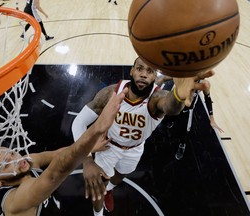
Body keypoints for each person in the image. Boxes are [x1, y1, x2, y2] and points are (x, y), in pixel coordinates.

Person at [71, 57, 214, 216]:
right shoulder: (111, 93)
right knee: (97, 188)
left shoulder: (157, 98)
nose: (144, 74)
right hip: (109, 146)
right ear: (132, 71)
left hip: (135, 148)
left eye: (149, 71)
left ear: (154, 77)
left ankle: (109, 190)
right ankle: (98, 214)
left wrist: (179, 95)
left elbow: (171, 107)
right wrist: (87, 160)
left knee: (120, 175)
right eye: (139, 69)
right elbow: (78, 123)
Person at [0, 88, 127, 216]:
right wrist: (96, 129)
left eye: (12, 154)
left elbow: (56, 154)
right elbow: (56, 171)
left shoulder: (25, 163)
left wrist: (90, 148)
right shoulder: (16, 200)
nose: (16, 160)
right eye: (7, 165)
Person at [156, 74, 224, 160]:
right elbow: (166, 77)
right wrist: (161, 79)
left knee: (183, 132)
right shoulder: (181, 76)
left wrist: (211, 118)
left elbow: (208, 99)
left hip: (186, 112)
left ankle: (182, 145)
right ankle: (170, 121)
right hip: (174, 106)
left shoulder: (204, 84)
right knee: (166, 119)